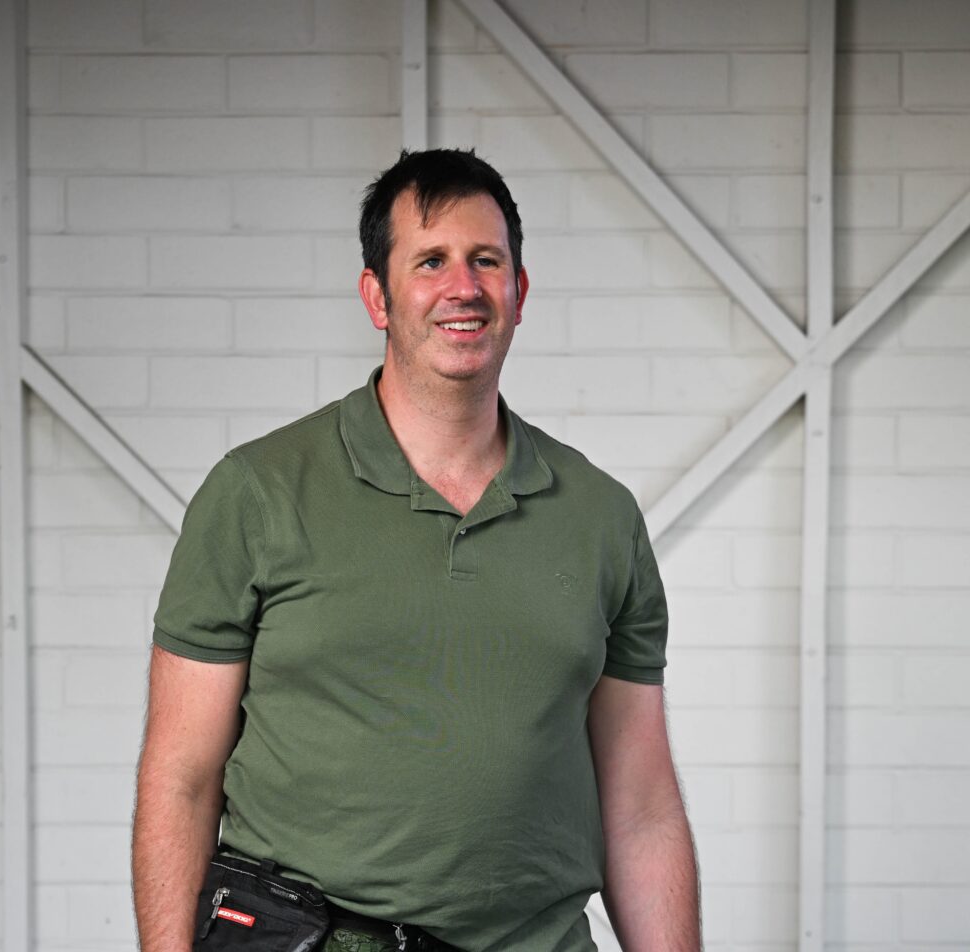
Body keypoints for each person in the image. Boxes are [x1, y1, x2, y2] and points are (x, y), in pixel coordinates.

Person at [132, 148, 700, 952]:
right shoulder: (256, 493)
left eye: (486, 261)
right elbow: (180, 780)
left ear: (519, 291)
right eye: (430, 260)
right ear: (378, 295)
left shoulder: (602, 517)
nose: (462, 287)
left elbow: (640, 805)